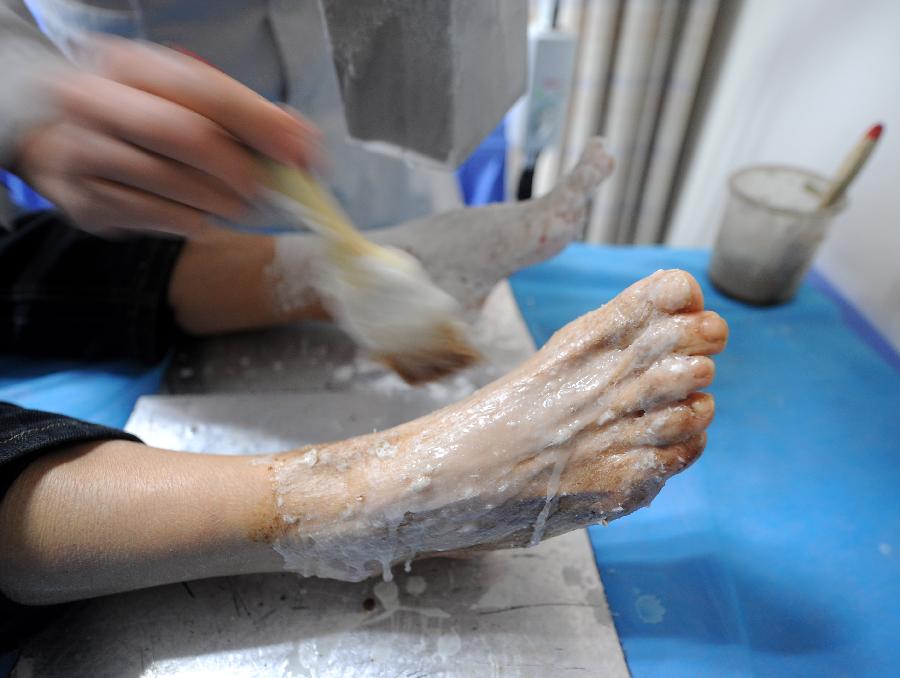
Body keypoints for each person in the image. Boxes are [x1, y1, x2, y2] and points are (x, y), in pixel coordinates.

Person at [0, 1, 729, 609]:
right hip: (156, 135)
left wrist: (356, 269)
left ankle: (346, 269)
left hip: (363, 153)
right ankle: (353, 497)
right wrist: (20, 89)